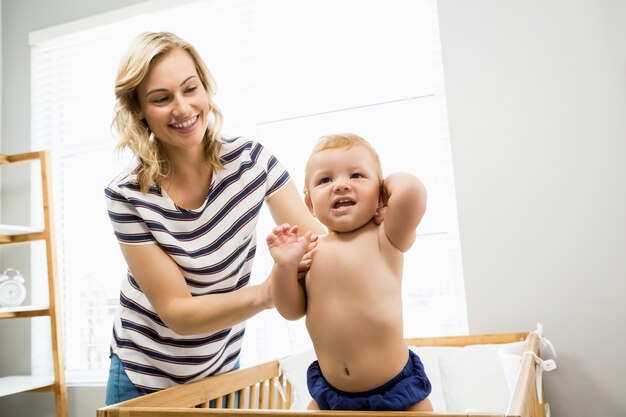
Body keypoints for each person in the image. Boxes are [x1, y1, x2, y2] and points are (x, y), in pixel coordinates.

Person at [103, 31, 323, 405]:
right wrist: (270, 293)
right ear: (138, 109)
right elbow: (179, 313)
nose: (183, 108)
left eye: (191, 89)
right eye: (161, 98)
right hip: (144, 375)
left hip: (221, 369)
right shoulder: (127, 196)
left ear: (205, 88)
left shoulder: (251, 162)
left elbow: (318, 244)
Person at [267, 133, 433, 411]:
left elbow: (412, 191)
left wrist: (384, 190)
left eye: (356, 175)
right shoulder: (310, 248)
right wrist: (284, 267)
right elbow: (291, 310)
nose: (340, 186)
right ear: (310, 206)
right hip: (331, 396)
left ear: (381, 194)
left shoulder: (386, 237)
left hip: (396, 389)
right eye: (325, 180)